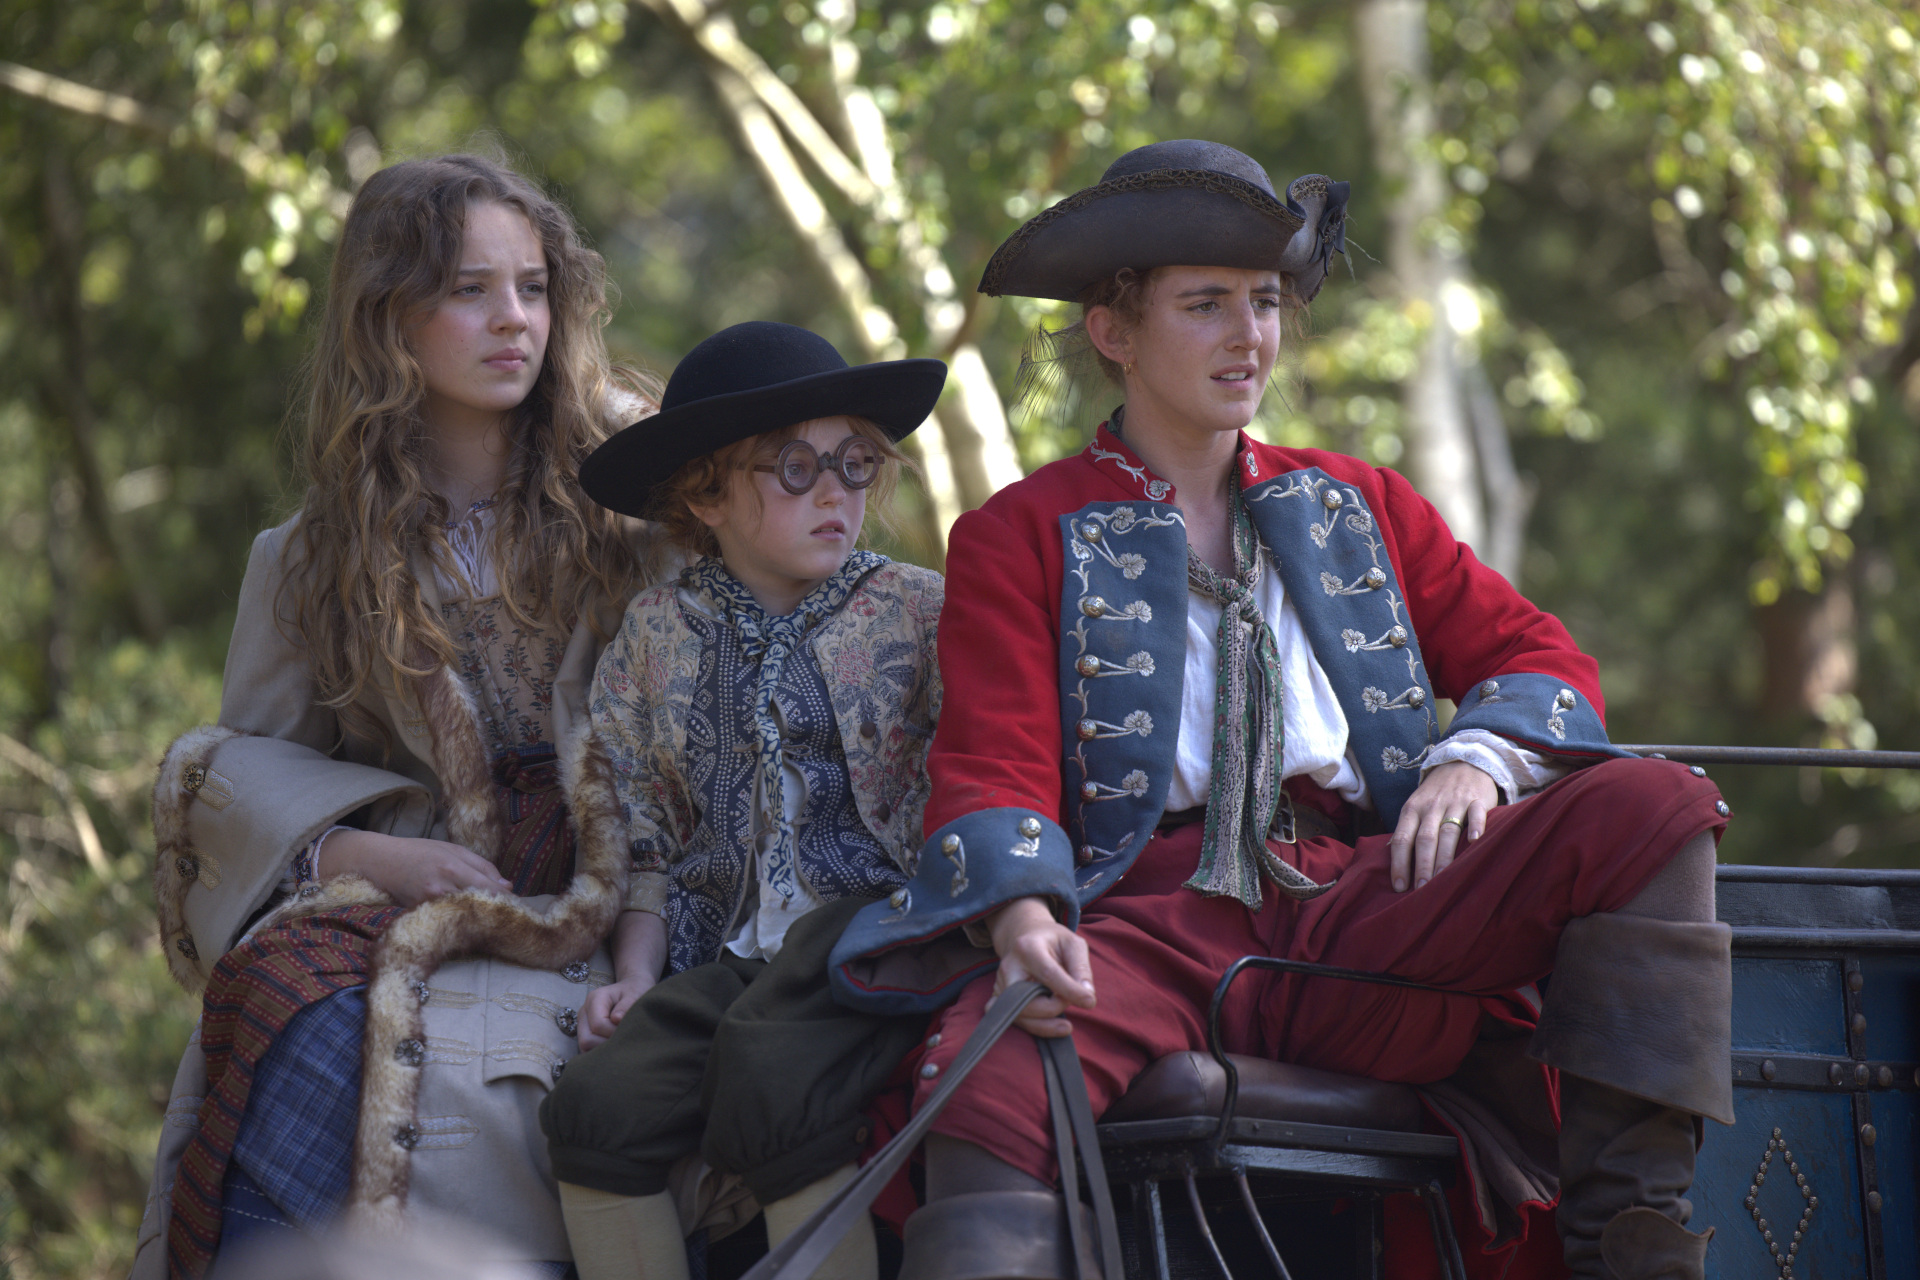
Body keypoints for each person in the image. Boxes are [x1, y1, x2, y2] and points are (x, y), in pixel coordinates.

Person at [829, 140, 1733, 1280]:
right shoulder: (1022, 529)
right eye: (1204, 305)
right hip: (1153, 924)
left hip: (1372, 915)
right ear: (1115, 331)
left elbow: (1538, 656)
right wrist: (1020, 921)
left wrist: (1479, 758)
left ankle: (1632, 1259)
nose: (1249, 335)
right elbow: (995, 759)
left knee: (1653, 801)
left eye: (1263, 303)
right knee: (996, 1073)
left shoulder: (1359, 500)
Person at [133, 153, 661, 1278]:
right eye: (470, 289)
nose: (513, 319)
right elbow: (243, 766)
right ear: (390, 317)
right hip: (413, 888)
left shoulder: (641, 486)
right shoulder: (309, 555)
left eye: (532, 286)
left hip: (625, 877)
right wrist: (355, 846)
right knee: (285, 1008)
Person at [537, 321, 947, 1280]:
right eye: (793, 468)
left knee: (771, 1075)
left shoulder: (918, 609)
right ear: (705, 494)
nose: (837, 491)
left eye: (854, 463)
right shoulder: (654, 633)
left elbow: (981, 773)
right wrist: (636, 975)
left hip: (874, 934)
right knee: (593, 1107)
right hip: (724, 951)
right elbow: (641, 832)